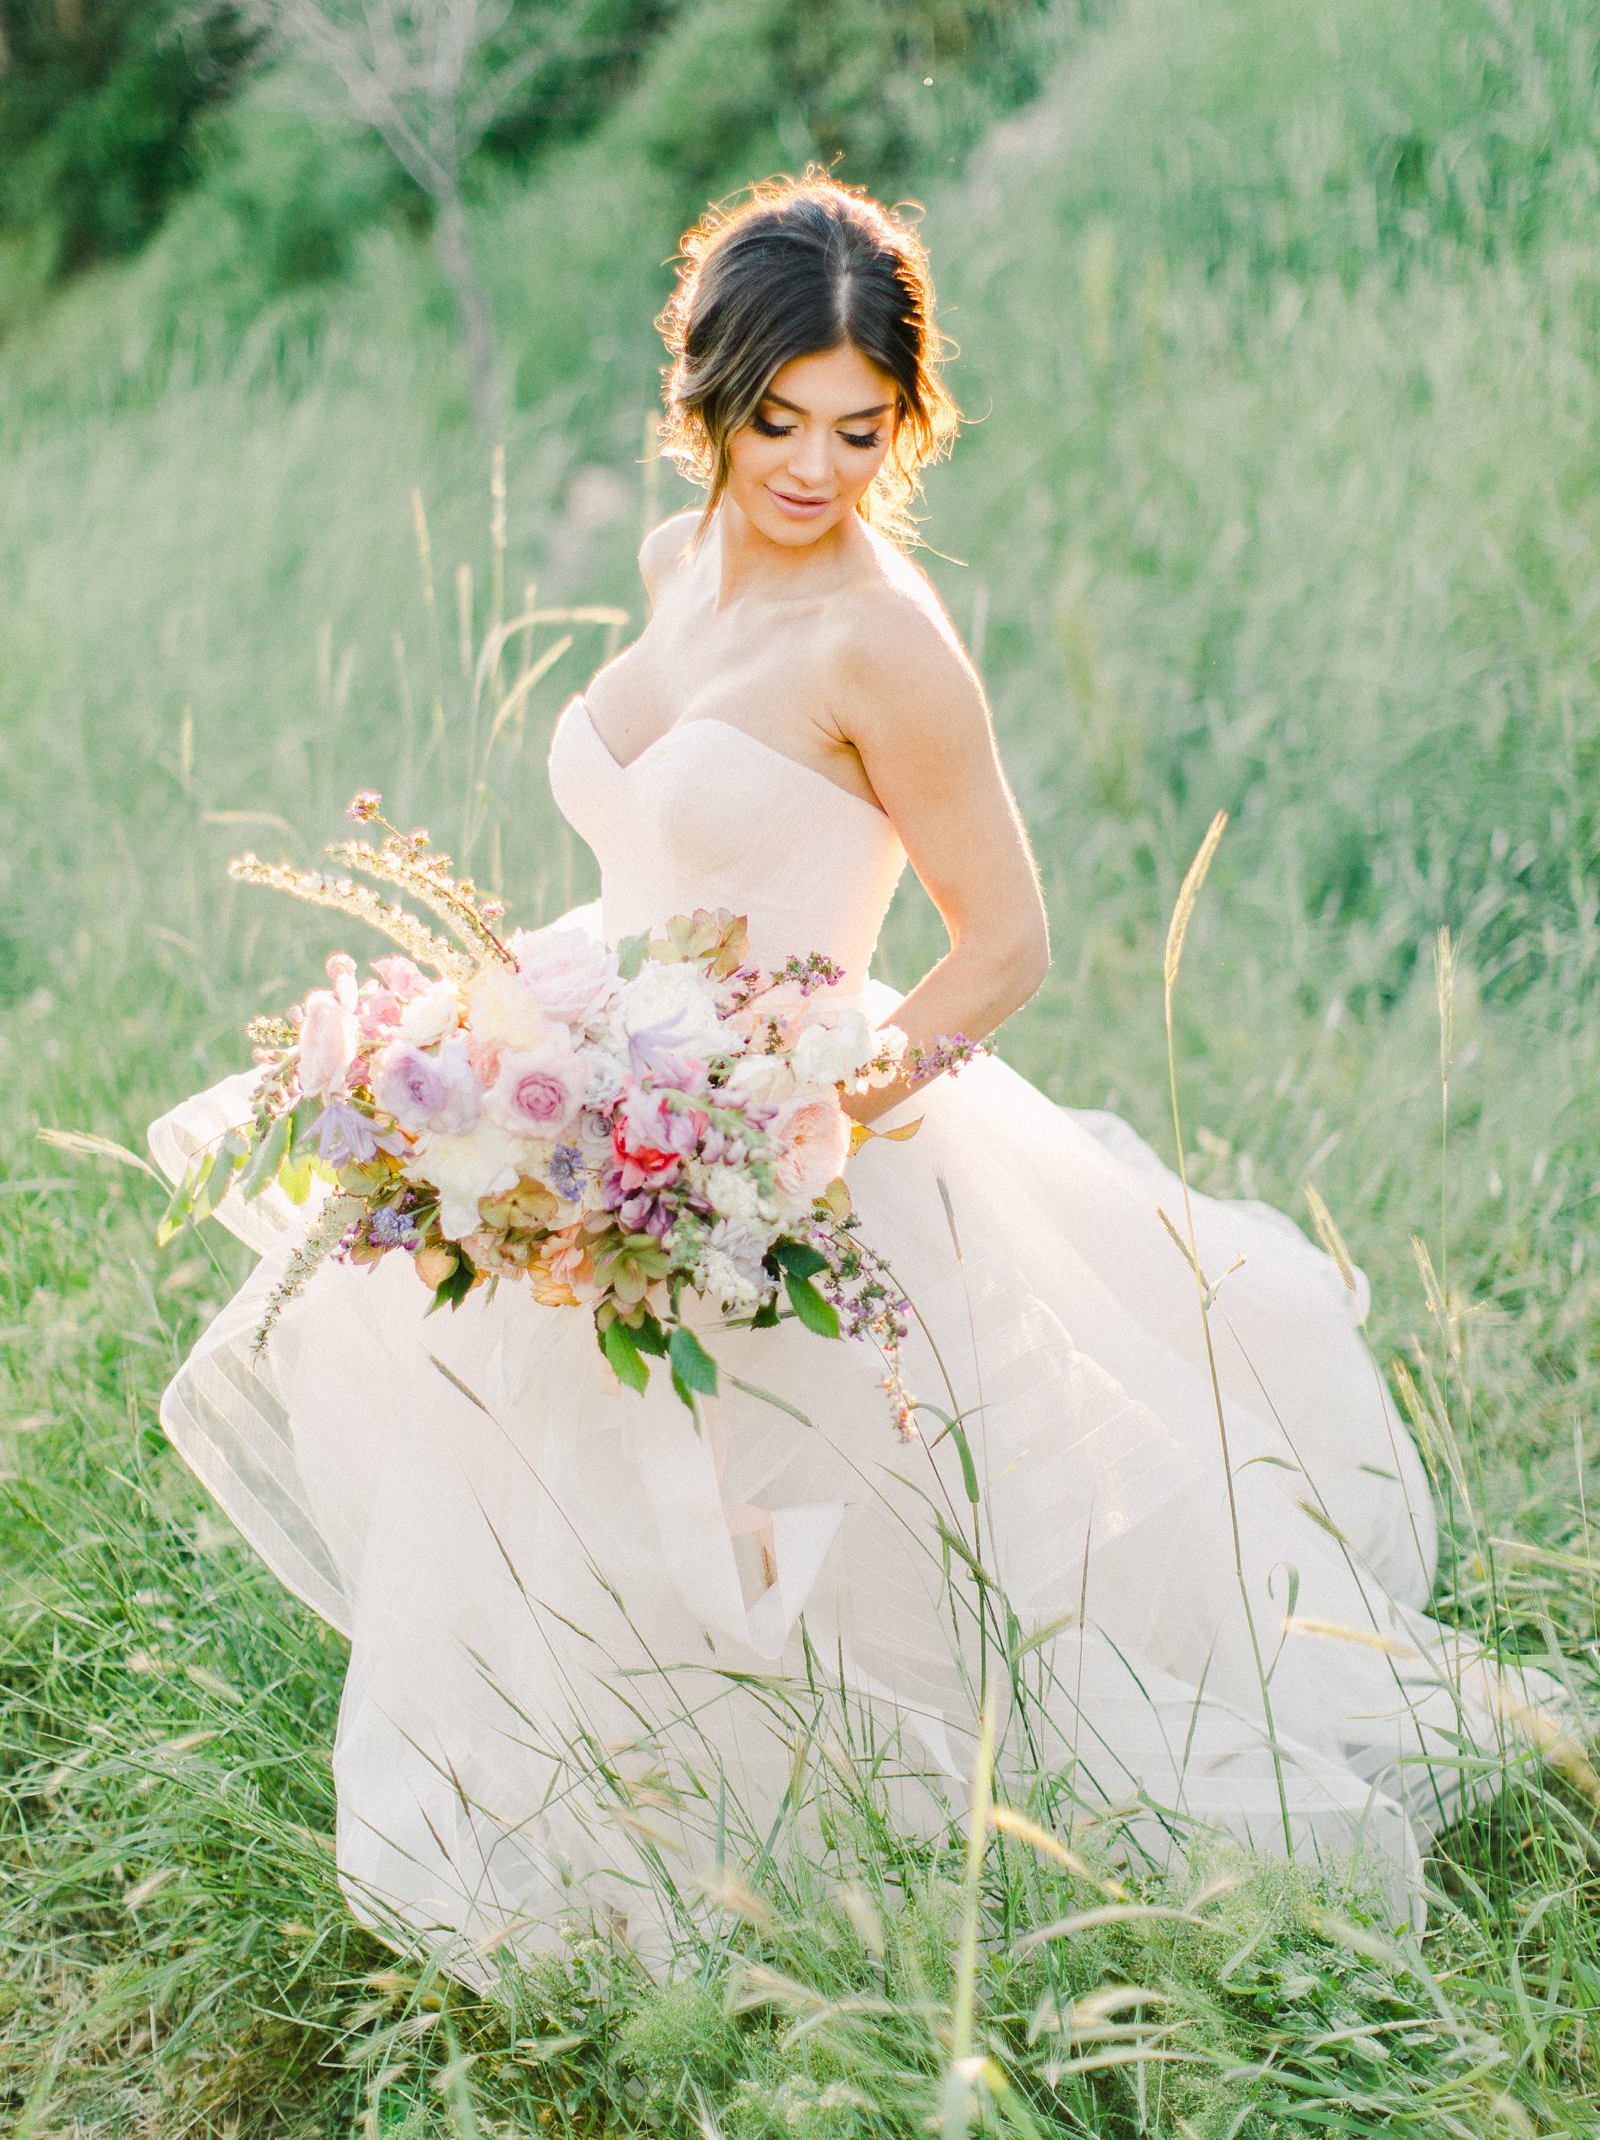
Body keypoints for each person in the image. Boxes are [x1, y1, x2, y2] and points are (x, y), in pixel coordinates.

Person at [150, 170, 1568, 1984]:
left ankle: (870, 1899)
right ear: (707, 402)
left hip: (795, 1141)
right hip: (606, 1086)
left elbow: (1006, 945)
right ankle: (631, 1850)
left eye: (860, 427)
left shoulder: (887, 642)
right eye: (777, 423)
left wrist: (800, 1119)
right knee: (591, 1499)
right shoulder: (676, 567)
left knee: (838, 1547)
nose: (815, 469)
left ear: (905, 420)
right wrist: (545, 1061)